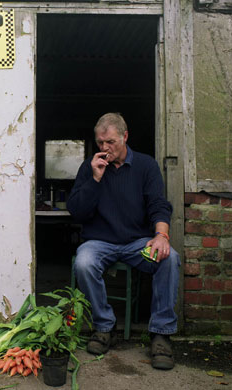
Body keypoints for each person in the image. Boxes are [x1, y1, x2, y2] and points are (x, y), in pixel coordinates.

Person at [67, 113, 180, 370]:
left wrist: (161, 236)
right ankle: (105, 326)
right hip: (99, 242)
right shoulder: (90, 167)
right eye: (100, 143)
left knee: (169, 258)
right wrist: (95, 179)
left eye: (110, 142)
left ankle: (161, 334)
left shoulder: (145, 166)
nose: (104, 148)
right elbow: (77, 211)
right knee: (84, 262)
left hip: (137, 244)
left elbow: (158, 206)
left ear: (125, 136)